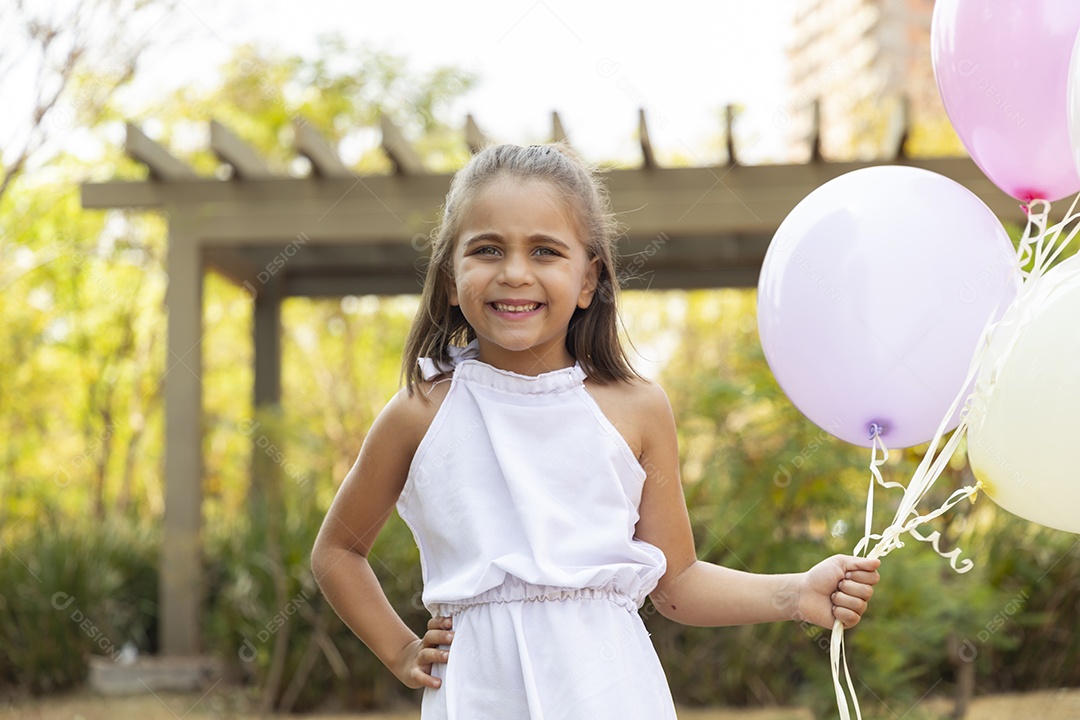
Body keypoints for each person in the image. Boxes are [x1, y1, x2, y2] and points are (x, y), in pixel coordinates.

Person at [310, 143, 881, 719]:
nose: (514, 272)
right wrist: (401, 649)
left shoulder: (636, 408)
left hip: (612, 695)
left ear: (589, 280)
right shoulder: (420, 412)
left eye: (545, 251)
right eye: (486, 250)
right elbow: (337, 550)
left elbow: (677, 584)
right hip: (479, 696)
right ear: (450, 280)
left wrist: (796, 592)